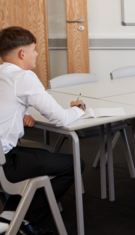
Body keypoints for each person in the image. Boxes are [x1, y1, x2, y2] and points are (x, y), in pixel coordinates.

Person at [0, 26, 86, 235]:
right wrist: (78, 109)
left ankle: (7, 215)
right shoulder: (23, 77)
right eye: (34, 49)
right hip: (5, 163)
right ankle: (22, 219)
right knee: (75, 164)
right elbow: (60, 118)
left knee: (42, 155)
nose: (36, 54)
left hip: (4, 155)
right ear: (22, 53)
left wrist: (21, 114)